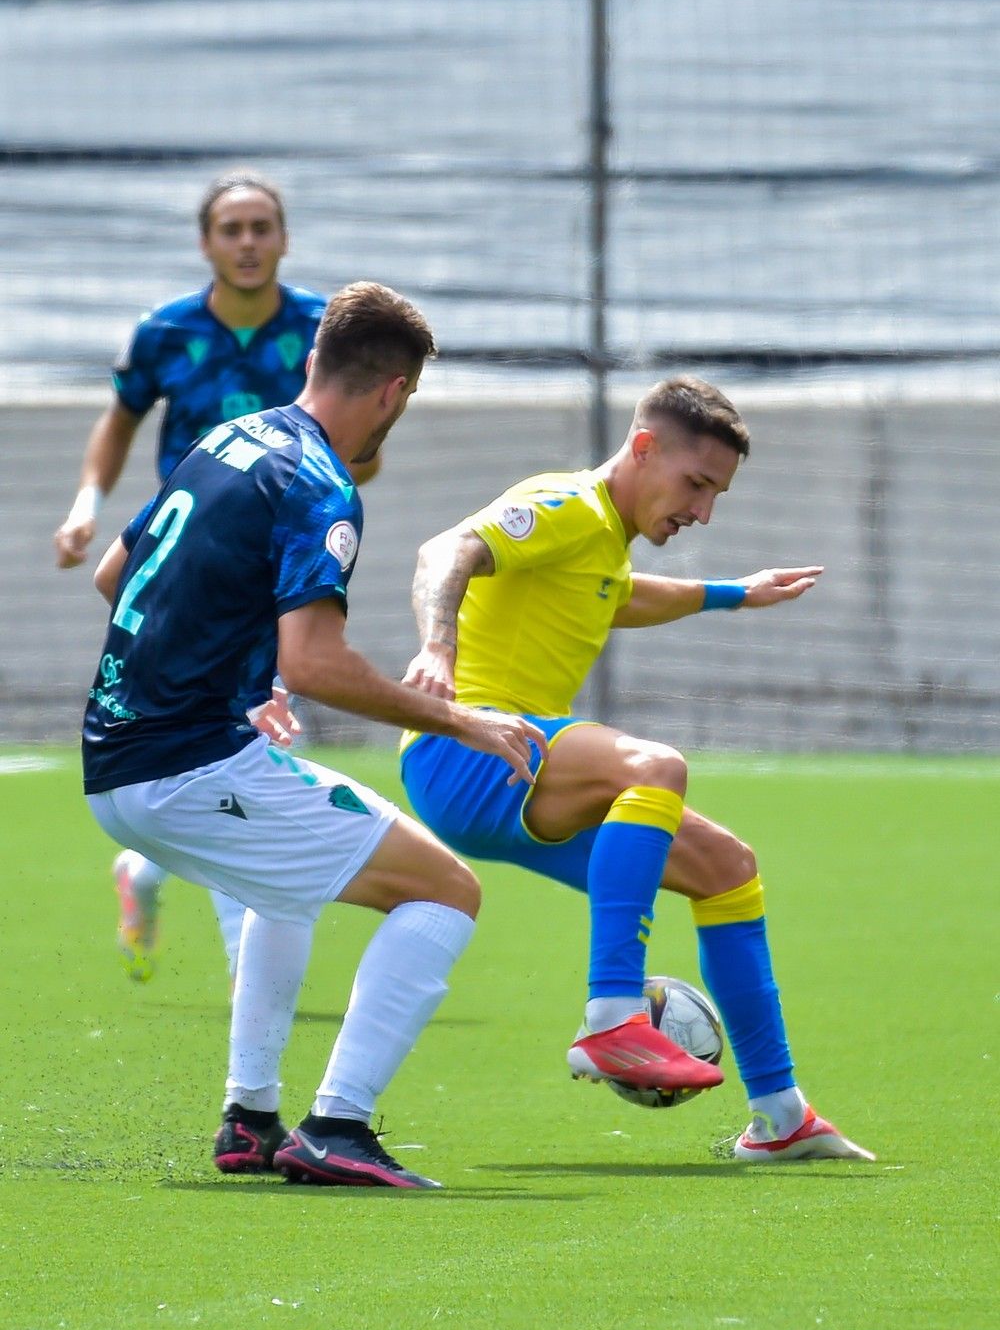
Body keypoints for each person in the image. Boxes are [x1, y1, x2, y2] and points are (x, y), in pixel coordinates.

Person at [83, 280, 547, 1189]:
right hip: (183, 766)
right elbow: (323, 664)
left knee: (285, 889)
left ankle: (249, 1116)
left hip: (116, 762)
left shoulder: (228, 436)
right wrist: (461, 718)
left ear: (311, 361)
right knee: (446, 890)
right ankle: (338, 1124)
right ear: (395, 393)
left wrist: (239, 687)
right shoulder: (319, 482)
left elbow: (113, 574)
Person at [399, 375, 875, 1163]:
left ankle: (779, 1115)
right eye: (696, 484)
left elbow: (615, 597)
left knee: (727, 866)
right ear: (644, 447)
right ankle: (613, 1015)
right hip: (464, 751)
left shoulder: (601, 544)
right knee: (654, 767)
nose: (703, 510)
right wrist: (438, 652)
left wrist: (734, 594)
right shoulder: (566, 505)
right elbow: (443, 551)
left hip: (525, 774)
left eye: (717, 493)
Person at [55, 169, 374, 985]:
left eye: (261, 226)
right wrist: (87, 503)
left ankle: (153, 873)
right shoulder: (163, 332)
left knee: (235, 751)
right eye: (230, 228)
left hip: (271, 574)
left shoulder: (321, 333)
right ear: (206, 243)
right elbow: (118, 422)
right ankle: (228, 947)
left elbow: (359, 448)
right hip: (182, 573)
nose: (247, 241)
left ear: (283, 239)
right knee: (233, 750)